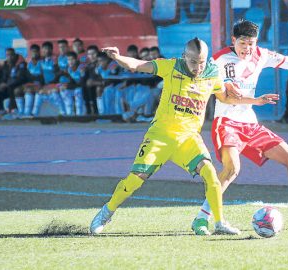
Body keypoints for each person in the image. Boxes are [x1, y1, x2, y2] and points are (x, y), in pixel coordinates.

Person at [90, 38, 278, 235]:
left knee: (211, 174)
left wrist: (255, 101)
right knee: (135, 179)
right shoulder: (171, 66)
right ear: (184, 57)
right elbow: (137, 65)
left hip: (188, 139)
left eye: (202, 62)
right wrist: (118, 57)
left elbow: (226, 97)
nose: (198, 67)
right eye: (193, 62)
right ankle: (106, 212)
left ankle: (220, 222)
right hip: (160, 137)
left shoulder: (213, 74)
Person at [190, 20, 288, 235]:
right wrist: (255, 100)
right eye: (243, 43)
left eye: (252, 43)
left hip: (251, 124)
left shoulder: (261, 55)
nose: (248, 48)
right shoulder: (219, 60)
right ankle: (201, 218)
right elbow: (225, 98)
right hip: (227, 123)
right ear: (234, 41)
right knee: (231, 170)